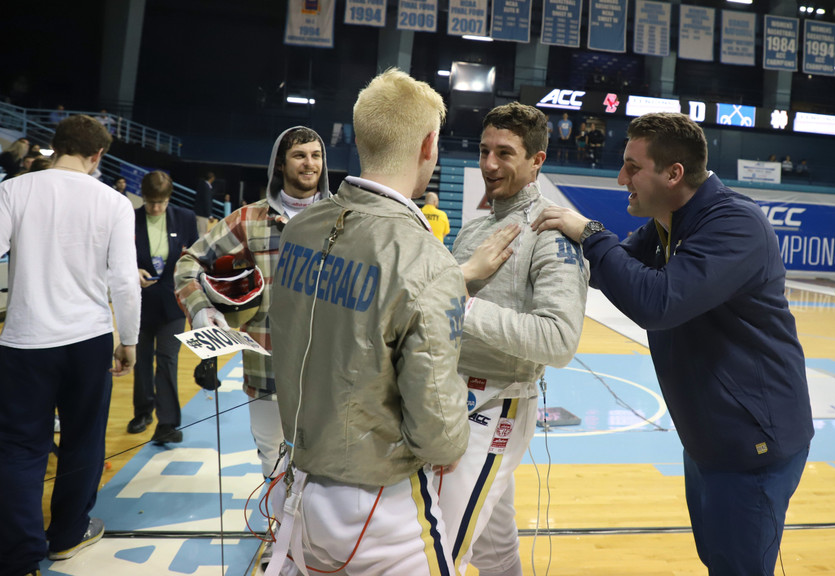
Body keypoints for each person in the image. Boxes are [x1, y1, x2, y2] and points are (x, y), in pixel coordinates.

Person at [532, 111, 813, 575]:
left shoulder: (734, 224)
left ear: (673, 173)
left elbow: (657, 302)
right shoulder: (669, 223)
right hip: (710, 438)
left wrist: (589, 233)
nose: (621, 178)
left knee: (739, 568)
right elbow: (617, 269)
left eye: (632, 167)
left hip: (752, 444)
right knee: (718, 560)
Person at [266, 68, 497, 576]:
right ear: (429, 145)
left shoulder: (301, 227)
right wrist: (455, 439)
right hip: (378, 507)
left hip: (297, 485)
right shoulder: (426, 259)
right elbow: (436, 429)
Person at [441, 101, 589, 576]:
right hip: (451, 398)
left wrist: (461, 304)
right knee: (494, 550)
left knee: (438, 545)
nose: (488, 165)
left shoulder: (552, 232)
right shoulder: (476, 226)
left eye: (504, 153)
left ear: (536, 161)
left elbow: (560, 340)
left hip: (494, 406)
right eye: (485, 150)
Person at [0, 114, 140, 574]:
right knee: (82, 441)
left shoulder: (14, 190)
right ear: (97, 155)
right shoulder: (113, 201)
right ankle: (65, 535)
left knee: (22, 447)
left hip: (23, 340)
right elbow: (124, 281)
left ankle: (20, 557)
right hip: (87, 340)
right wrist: (130, 343)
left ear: (53, 146)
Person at [174, 126, 330, 482]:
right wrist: (202, 310)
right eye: (299, 155)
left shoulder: (341, 218)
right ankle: (277, 527)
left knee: (323, 463)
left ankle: (309, 534)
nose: (309, 164)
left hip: (328, 372)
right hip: (266, 371)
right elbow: (188, 264)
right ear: (279, 164)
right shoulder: (249, 220)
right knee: (272, 457)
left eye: (316, 155)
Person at [129, 171, 199, 443]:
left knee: (167, 361)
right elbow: (118, 255)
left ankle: (167, 423)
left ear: (169, 198)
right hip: (139, 304)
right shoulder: (130, 219)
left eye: (161, 202)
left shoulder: (185, 218)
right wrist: (132, 270)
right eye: (150, 202)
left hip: (173, 303)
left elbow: (194, 258)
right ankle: (142, 412)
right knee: (142, 360)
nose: (155, 208)